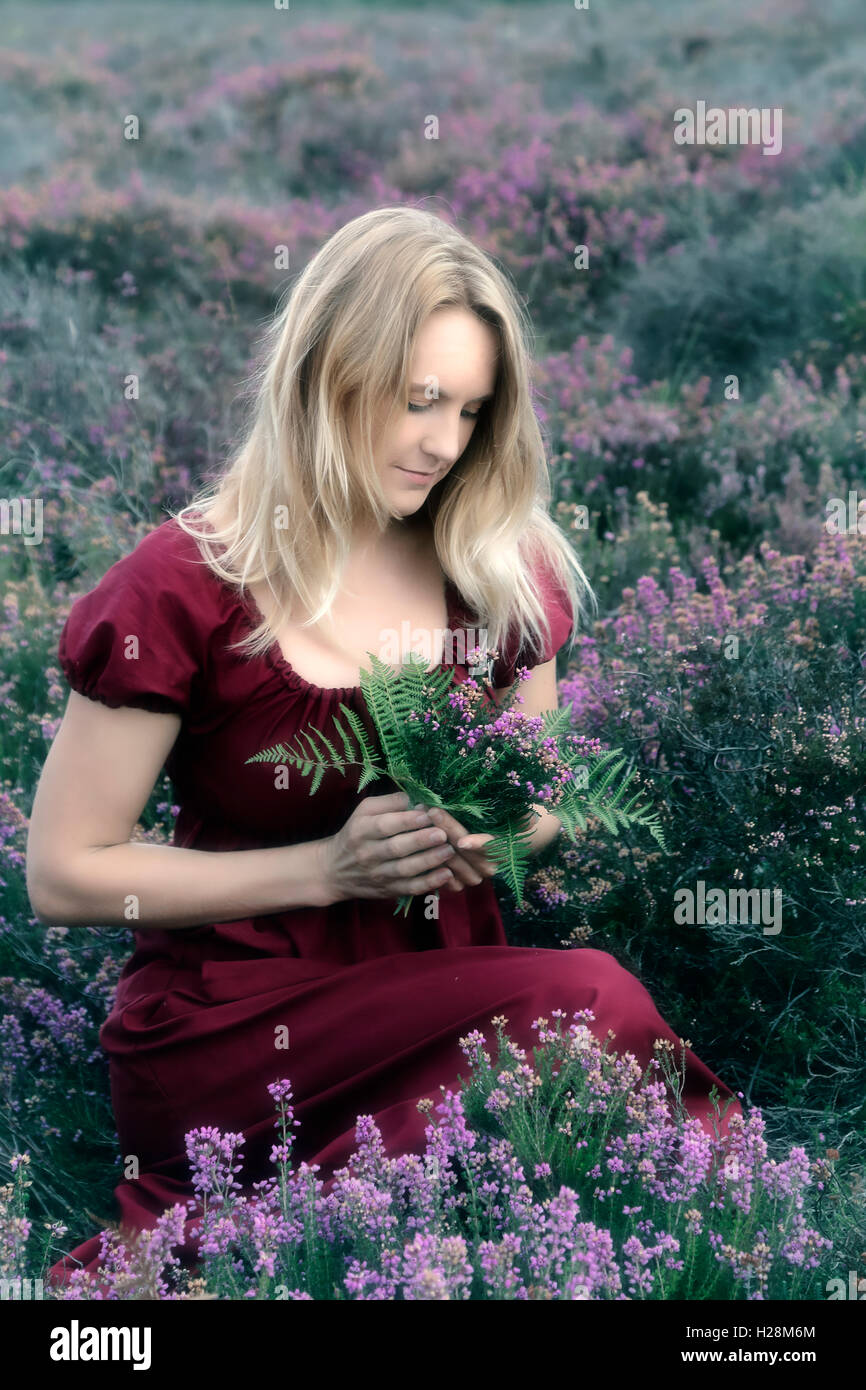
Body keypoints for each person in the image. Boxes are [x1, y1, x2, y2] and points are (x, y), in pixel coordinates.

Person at [27, 206, 741, 1288]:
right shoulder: (182, 584)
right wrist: (329, 867)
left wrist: (497, 829)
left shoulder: (498, 564)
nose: (442, 443)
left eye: (469, 409)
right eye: (416, 401)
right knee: (588, 1000)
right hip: (233, 1027)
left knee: (565, 1083)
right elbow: (66, 870)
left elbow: (538, 808)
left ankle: (714, 1254)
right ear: (327, 371)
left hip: (441, 985)